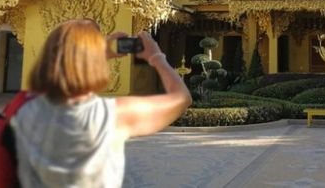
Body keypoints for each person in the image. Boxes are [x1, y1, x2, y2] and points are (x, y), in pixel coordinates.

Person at [11, 18, 192, 187]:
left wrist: (91, 55)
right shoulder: (109, 116)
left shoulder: (22, 108)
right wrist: (156, 57)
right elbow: (181, 98)